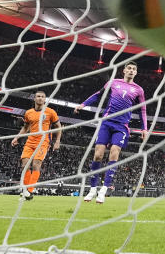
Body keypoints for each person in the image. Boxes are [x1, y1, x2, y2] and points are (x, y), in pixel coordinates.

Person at [75, 62, 149, 204]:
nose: (131, 70)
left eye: (134, 69)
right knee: (98, 155)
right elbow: (98, 95)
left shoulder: (139, 90)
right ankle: (92, 189)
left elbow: (143, 110)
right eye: (129, 68)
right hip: (106, 122)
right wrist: (83, 104)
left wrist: (144, 128)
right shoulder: (113, 82)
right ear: (124, 70)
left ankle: (103, 190)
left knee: (113, 155)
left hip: (121, 126)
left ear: (136, 72)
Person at [11, 91, 62, 200]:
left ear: (45, 99)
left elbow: (58, 126)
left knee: (36, 164)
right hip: (30, 142)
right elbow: (25, 128)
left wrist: (57, 141)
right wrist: (17, 138)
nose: (40, 98)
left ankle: (28, 191)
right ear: (34, 99)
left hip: (43, 142)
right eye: (38, 96)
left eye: (42, 97)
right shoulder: (28, 113)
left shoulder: (50, 112)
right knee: (24, 165)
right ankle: (26, 191)